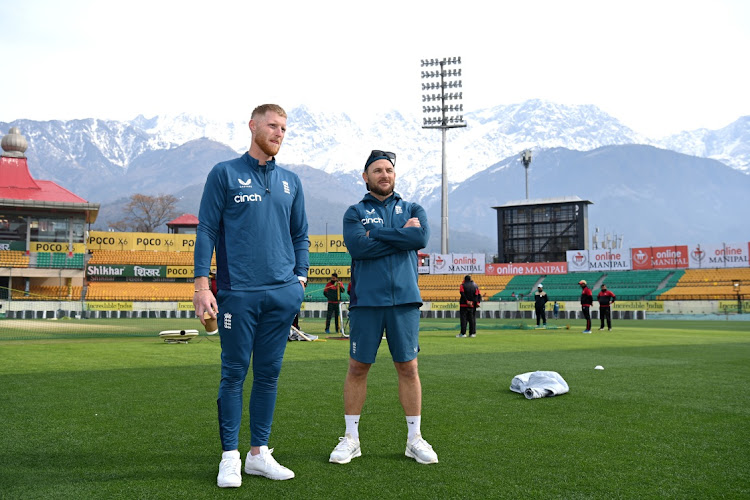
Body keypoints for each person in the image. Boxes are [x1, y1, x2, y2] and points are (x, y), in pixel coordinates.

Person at [193, 104, 309, 488]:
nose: (279, 133)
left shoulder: (292, 181)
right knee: (234, 374)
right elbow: (207, 229)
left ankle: (258, 454)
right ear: (253, 126)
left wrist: (301, 280)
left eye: (283, 128)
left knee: (269, 375)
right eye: (272, 126)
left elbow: (300, 235)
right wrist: (201, 285)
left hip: (282, 295)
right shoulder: (225, 173)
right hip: (238, 292)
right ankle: (230, 457)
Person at [329, 149, 437, 466]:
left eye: (388, 169)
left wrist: (378, 233)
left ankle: (414, 439)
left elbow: (420, 238)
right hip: (367, 302)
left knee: (408, 368)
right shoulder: (354, 212)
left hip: (404, 300)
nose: (383, 175)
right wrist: (401, 235)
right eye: (377, 170)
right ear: (366, 177)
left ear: (394, 174)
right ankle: (351, 439)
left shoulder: (413, 208)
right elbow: (359, 247)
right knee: (358, 367)